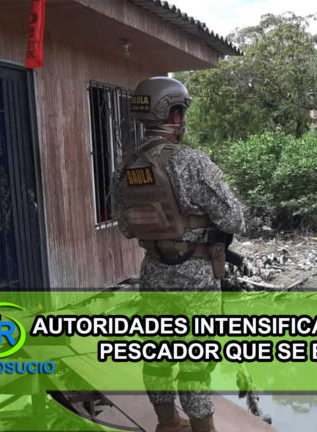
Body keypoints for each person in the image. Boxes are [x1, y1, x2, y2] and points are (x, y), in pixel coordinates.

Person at [112, 76, 245, 432]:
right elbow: (234, 217)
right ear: (173, 113)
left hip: (154, 273)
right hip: (195, 277)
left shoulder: (126, 168)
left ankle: (168, 424)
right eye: (181, 112)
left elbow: (126, 228)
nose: (183, 120)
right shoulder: (192, 162)